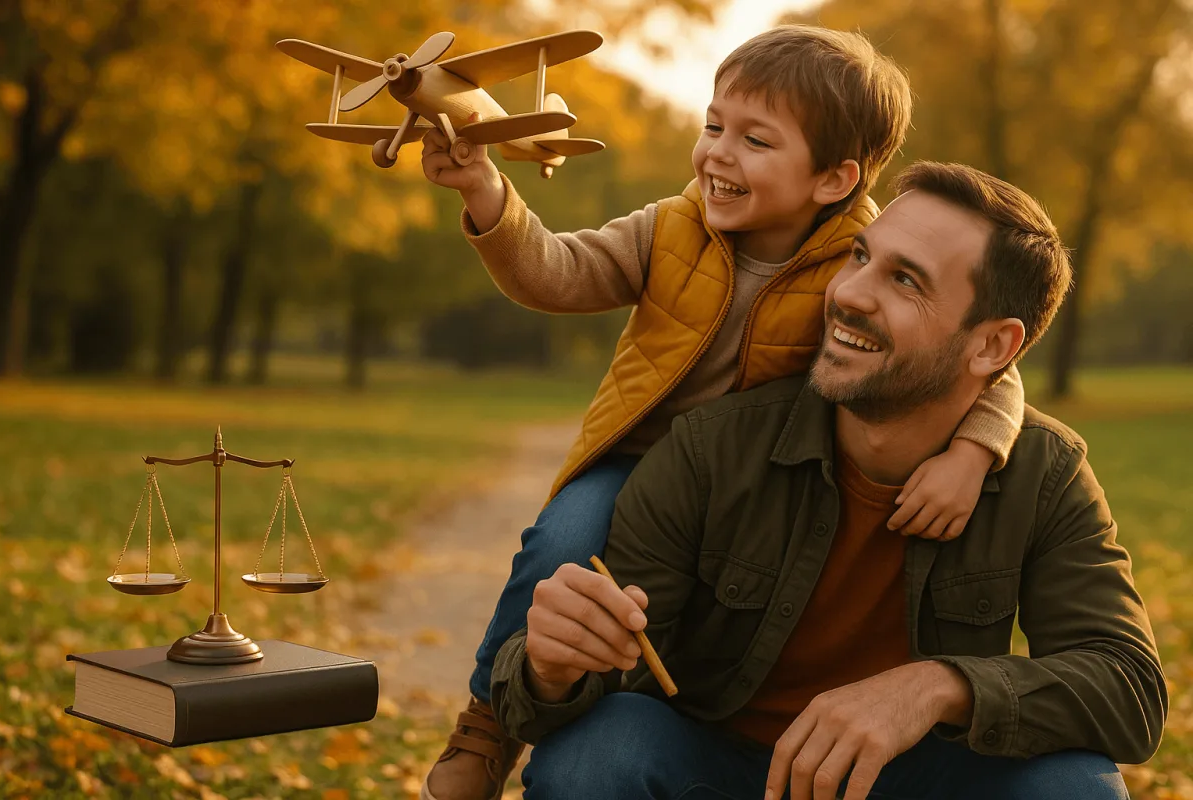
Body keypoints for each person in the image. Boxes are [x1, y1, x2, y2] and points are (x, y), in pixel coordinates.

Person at [419, 27, 1027, 800]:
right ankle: (489, 721)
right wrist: (486, 194)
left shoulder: (860, 257)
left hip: (754, 486)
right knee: (565, 542)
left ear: (834, 178)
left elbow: (983, 363)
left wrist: (973, 452)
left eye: (755, 140)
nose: (718, 154)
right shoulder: (669, 228)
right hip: (637, 458)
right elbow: (558, 273)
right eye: (712, 127)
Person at [491, 161, 1167, 800]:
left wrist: (935, 687)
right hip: (719, 771)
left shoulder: (1043, 473)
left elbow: (1128, 688)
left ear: (992, 346)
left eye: (906, 281)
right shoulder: (708, 447)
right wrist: (550, 670)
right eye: (862, 256)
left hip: (915, 778)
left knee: (1071, 782)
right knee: (596, 752)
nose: (847, 293)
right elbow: (601, 678)